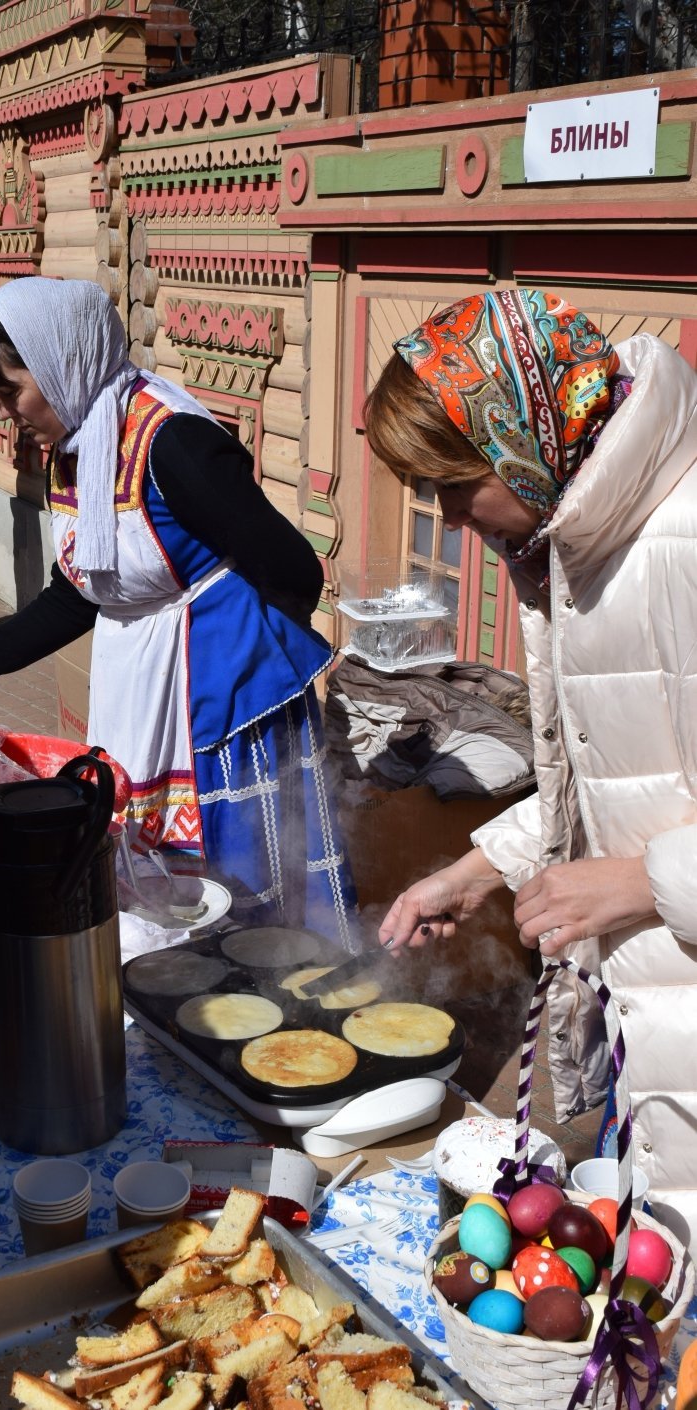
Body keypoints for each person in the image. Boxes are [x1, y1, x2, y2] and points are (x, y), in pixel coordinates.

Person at [363, 286, 697, 1252]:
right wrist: (479, 869)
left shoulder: (677, 540)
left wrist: (638, 884)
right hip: (657, 1023)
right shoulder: (578, 537)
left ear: (519, 435)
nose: (450, 518)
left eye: (452, 487)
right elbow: (610, 780)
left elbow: (635, 854)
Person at [0, 278, 357, 947]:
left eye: (10, 390)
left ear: (58, 366)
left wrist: (249, 662)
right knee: (153, 882)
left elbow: (292, 571)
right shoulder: (79, 445)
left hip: (217, 707)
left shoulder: (173, 444)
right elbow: (81, 592)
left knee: (242, 891)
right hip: (136, 688)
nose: (5, 410)